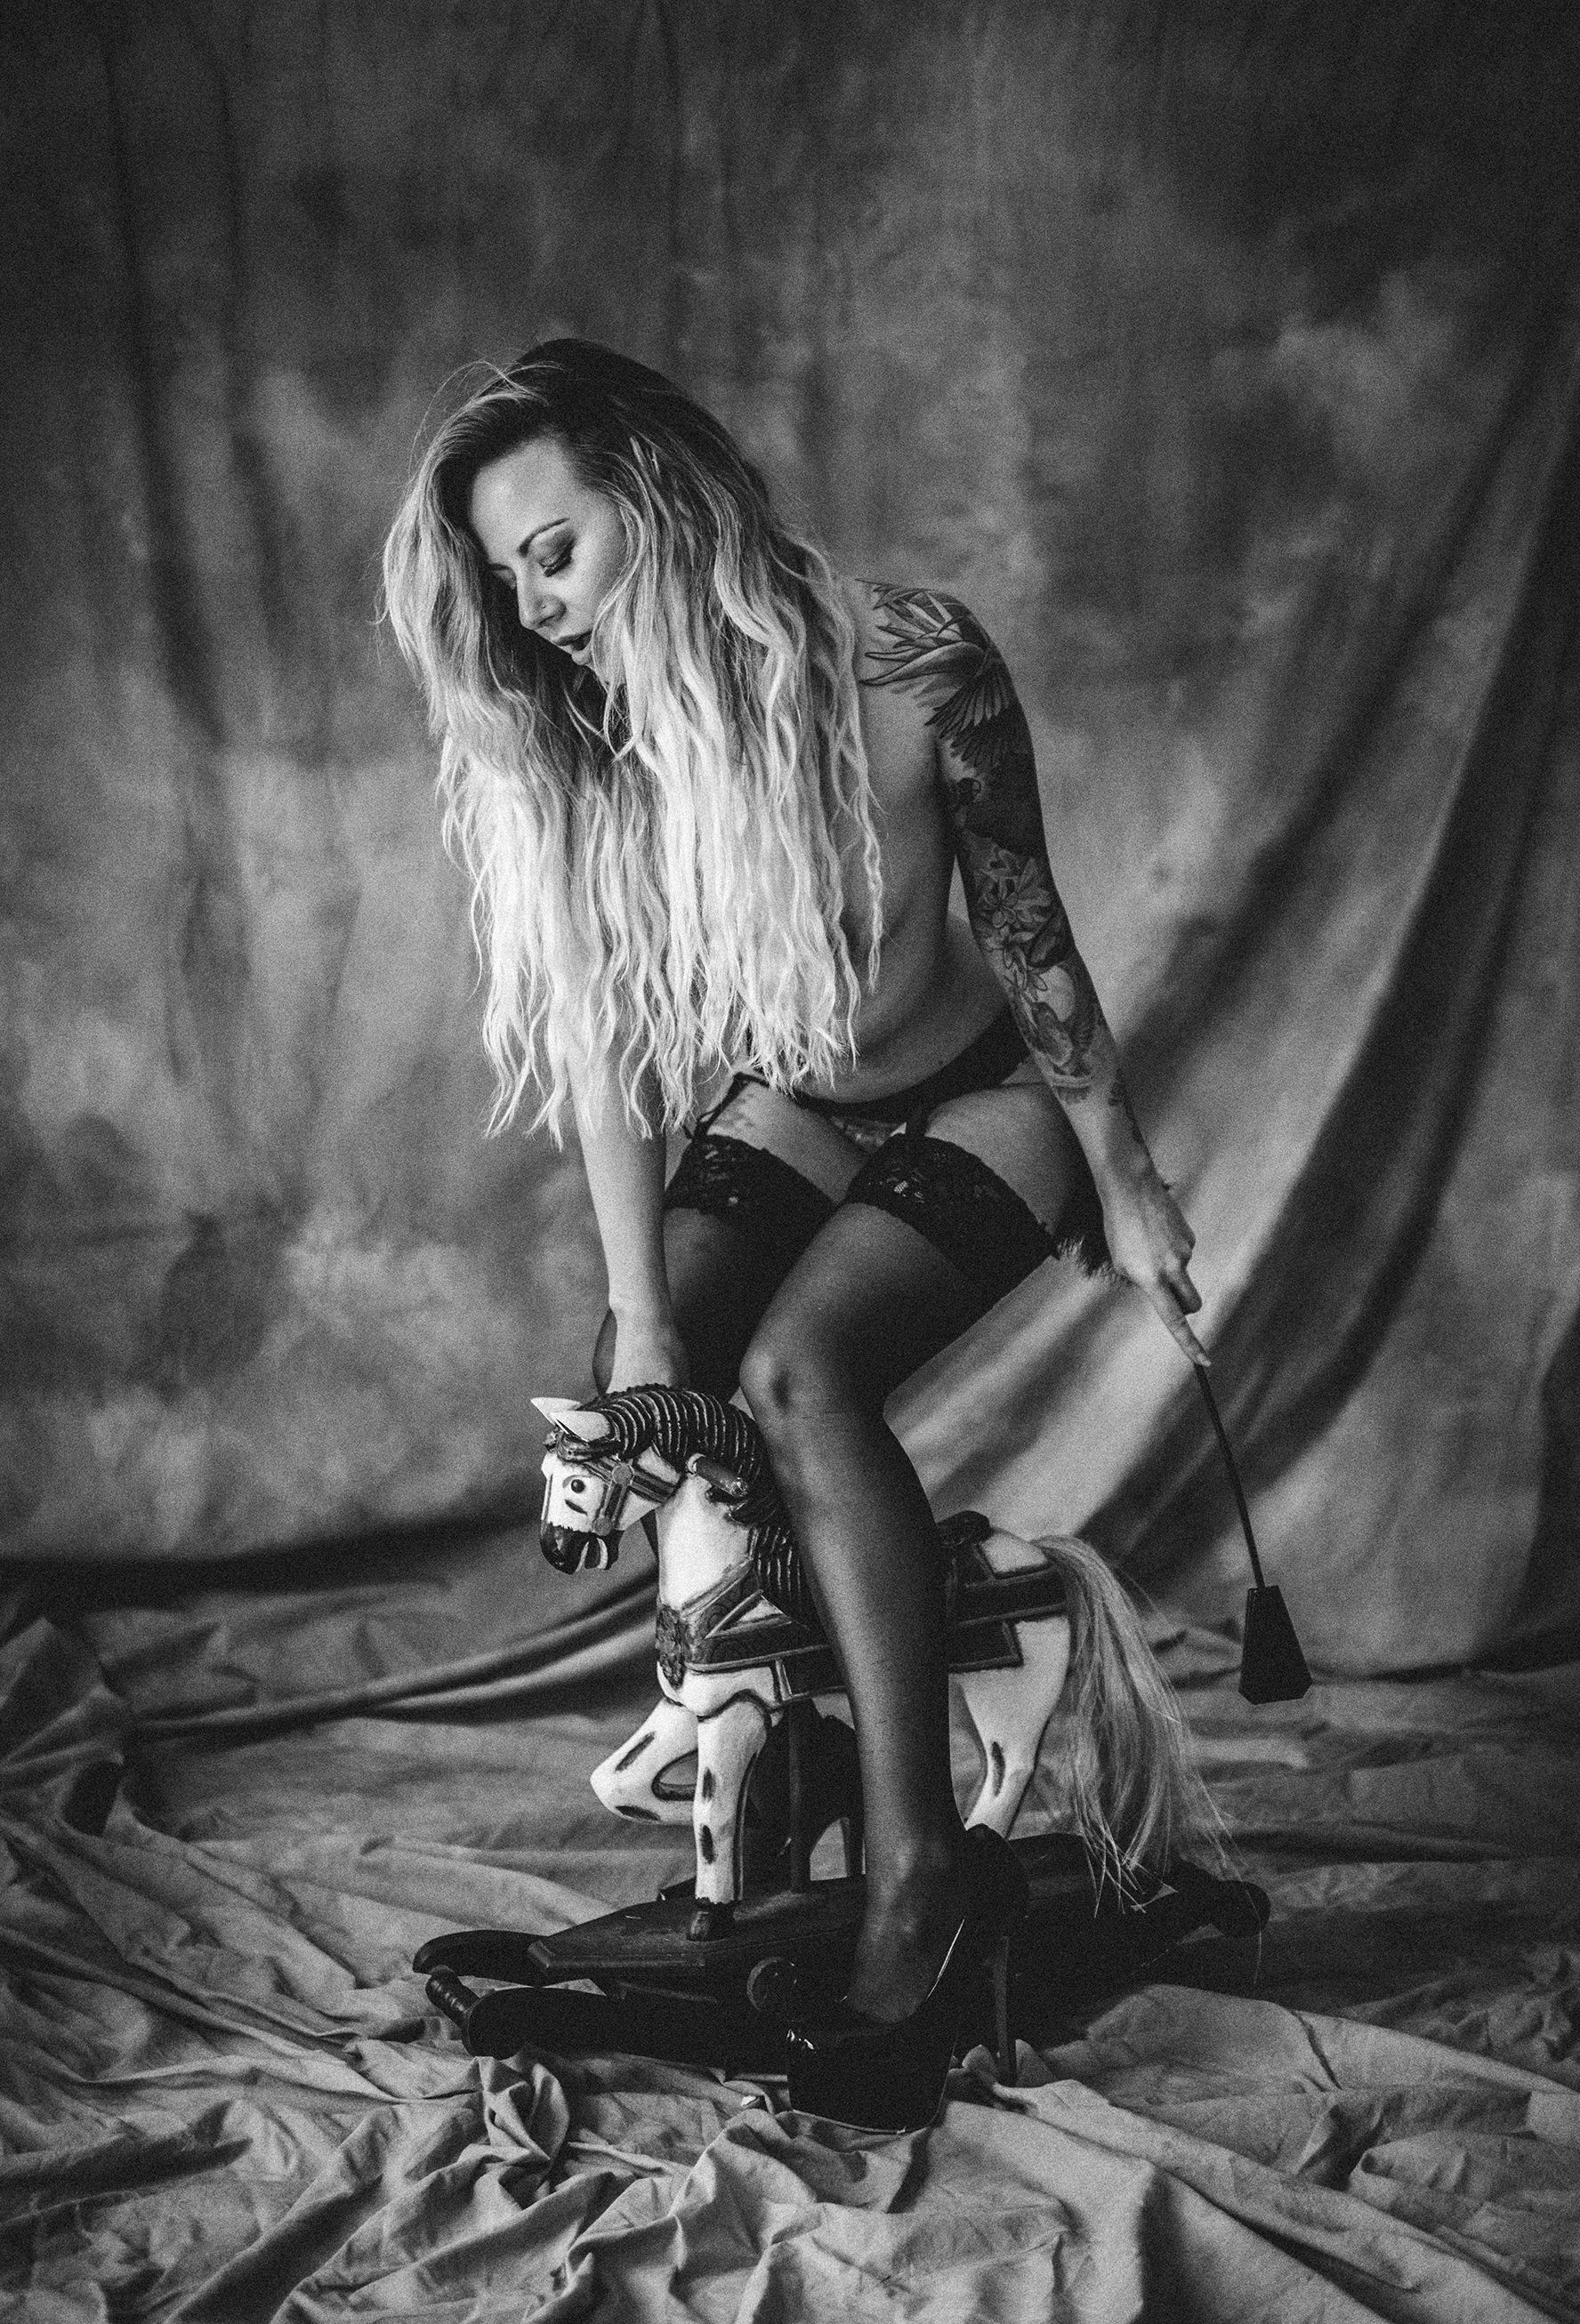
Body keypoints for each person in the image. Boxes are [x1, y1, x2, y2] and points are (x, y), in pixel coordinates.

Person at [383, 337, 1205, 2129]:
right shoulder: (591, 749)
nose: (536, 609)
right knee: (661, 1378)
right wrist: (635, 1329)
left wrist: (1129, 1182)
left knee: (797, 1371)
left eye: (554, 552)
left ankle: (924, 1881)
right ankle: (794, 1763)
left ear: (659, 500)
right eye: (507, 582)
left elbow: (1034, 940)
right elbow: (607, 1058)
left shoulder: (916, 669)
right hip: (803, 1098)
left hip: (987, 1091)